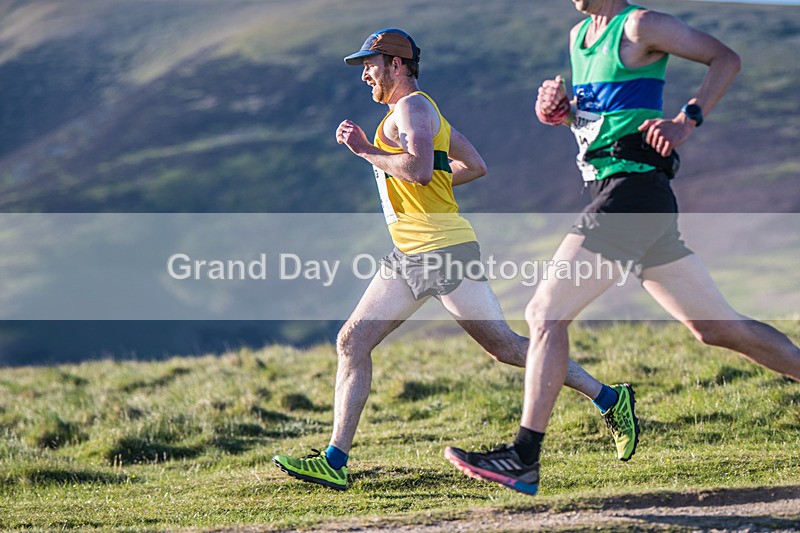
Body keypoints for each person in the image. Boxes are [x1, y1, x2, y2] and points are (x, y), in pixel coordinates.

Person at [445, 0, 800, 496]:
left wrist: (687, 119)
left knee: (545, 313)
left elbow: (726, 58)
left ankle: (523, 457)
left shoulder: (640, 25)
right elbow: (600, 118)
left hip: (632, 194)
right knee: (715, 327)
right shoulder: (579, 37)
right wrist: (563, 113)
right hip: (626, 194)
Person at [273, 28, 639, 491]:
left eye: (370, 64)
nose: (364, 74)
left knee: (505, 347)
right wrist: (422, 176)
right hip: (410, 253)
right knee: (352, 341)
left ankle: (608, 398)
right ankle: (334, 460)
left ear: (396, 64)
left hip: (444, 252)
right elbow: (474, 165)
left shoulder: (412, 108)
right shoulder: (421, 112)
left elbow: (420, 169)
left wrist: (366, 150)